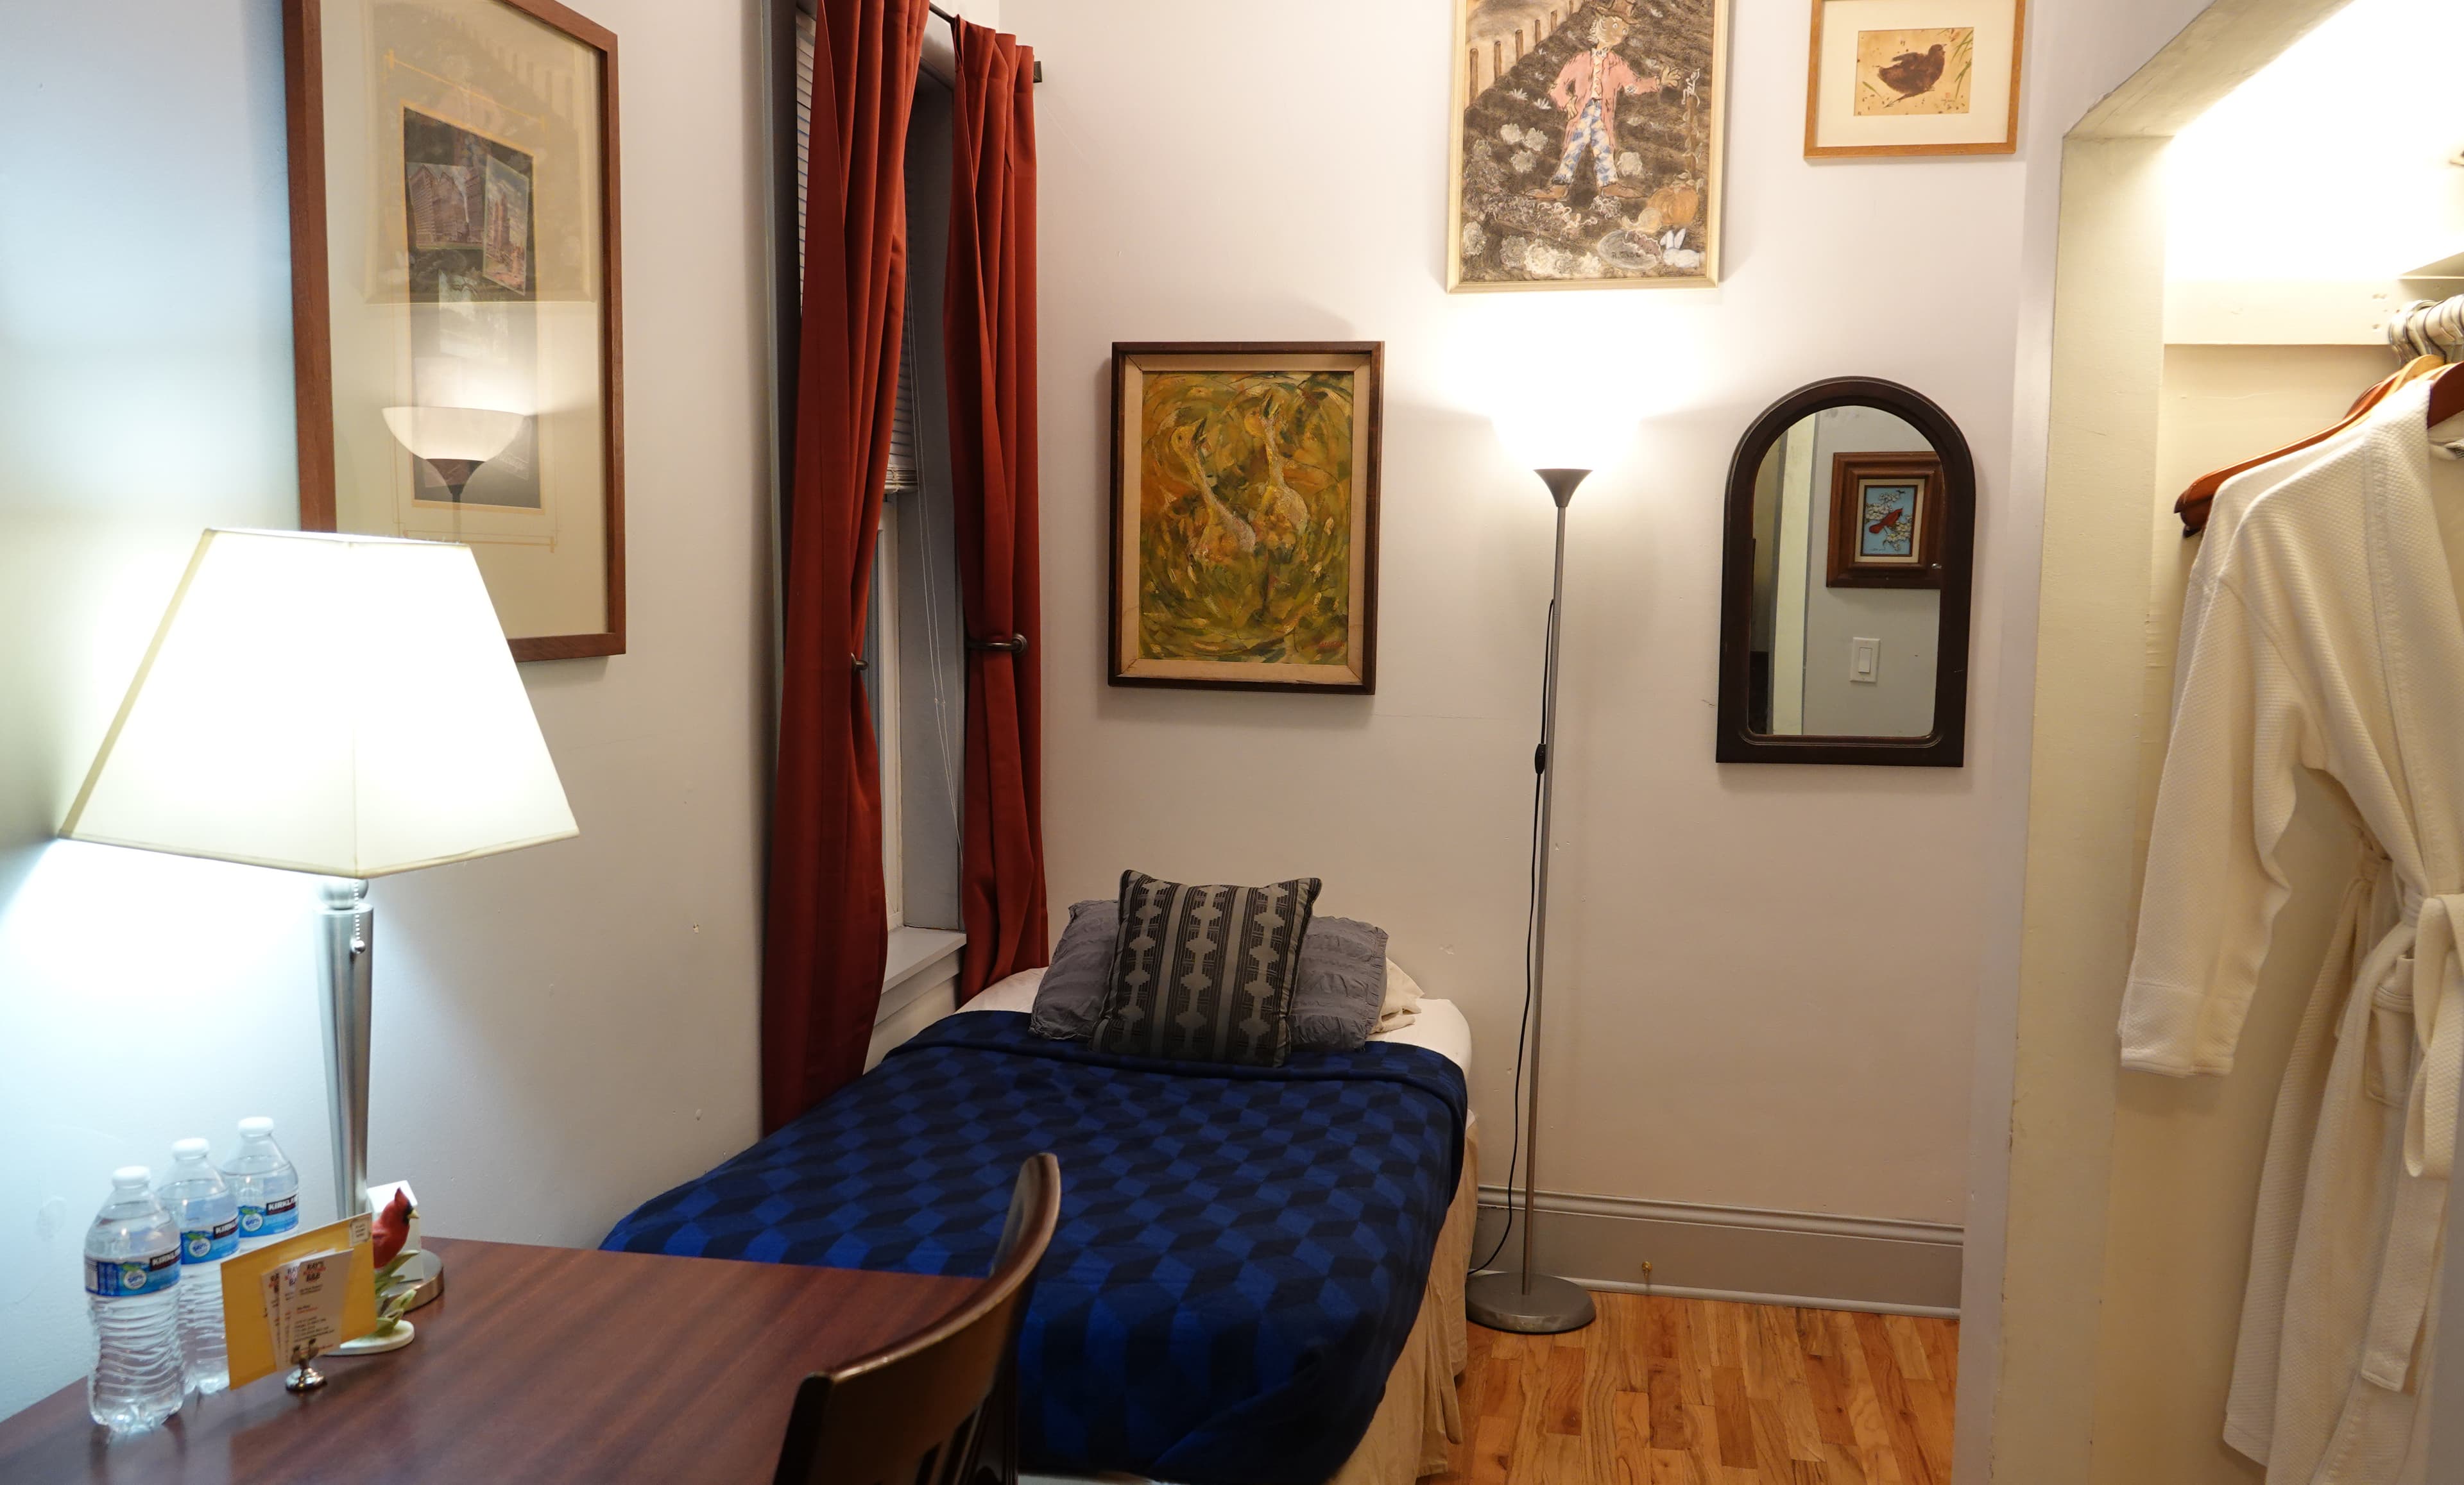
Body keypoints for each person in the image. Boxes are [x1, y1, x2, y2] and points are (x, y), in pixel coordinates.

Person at [1531, 14, 1648, 202]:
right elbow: (1557, 86)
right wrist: (1566, 102)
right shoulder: (1580, 60)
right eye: (1616, 25)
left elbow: (1633, 85)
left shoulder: (1617, 63)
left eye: (1624, 29)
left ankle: (1609, 185)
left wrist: (1658, 82)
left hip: (1602, 112)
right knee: (1574, 146)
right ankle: (1559, 187)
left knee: (1603, 145)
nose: (1621, 33)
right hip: (1582, 111)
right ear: (1601, 25)